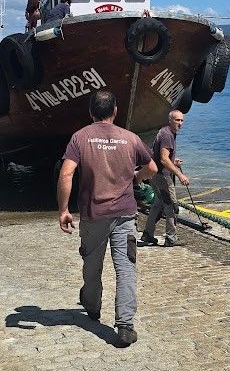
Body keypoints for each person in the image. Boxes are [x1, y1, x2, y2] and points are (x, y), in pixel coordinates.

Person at [57, 90, 157, 348]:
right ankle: (125, 326)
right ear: (115, 111)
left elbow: (66, 174)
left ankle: (91, 306)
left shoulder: (80, 138)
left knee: (92, 266)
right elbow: (153, 168)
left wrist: (63, 210)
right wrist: (136, 177)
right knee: (126, 269)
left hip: (93, 216)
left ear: (91, 112)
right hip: (125, 214)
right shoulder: (130, 138)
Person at [140, 110, 188, 247]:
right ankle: (171, 238)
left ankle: (148, 235)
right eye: (177, 120)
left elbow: (163, 157)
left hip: (155, 174)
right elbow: (164, 159)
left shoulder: (165, 132)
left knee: (158, 204)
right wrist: (180, 174)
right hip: (162, 177)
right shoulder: (167, 135)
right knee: (172, 206)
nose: (180, 123)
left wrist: (174, 161)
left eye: (182, 120)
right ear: (170, 120)